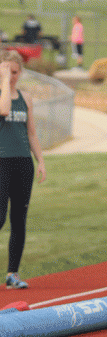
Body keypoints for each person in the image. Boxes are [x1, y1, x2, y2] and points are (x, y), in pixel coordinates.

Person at [0, 51, 46, 289]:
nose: (11, 76)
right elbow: (4, 110)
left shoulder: (26, 98)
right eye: (7, 70)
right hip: (1, 161)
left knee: (19, 220)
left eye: (15, 72)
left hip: (22, 162)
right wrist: (4, 81)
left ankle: (12, 274)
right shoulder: (1, 95)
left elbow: (31, 133)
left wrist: (41, 160)